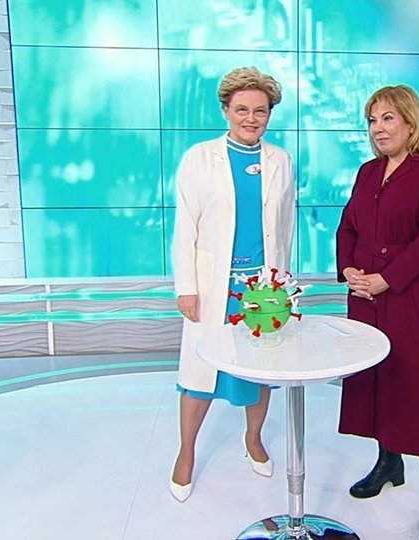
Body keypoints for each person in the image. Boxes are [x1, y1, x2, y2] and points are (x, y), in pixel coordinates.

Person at [335, 85, 419, 539]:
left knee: (418, 390)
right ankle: (389, 463)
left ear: (410, 122)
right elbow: (348, 226)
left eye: (387, 118)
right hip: (365, 295)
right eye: (372, 120)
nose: (378, 128)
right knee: (376, 379)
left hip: (410, 297)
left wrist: (388, 278)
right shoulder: (368, 172)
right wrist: (348, 268)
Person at [170, 66, 296, 502]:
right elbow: (185, 227)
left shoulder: (280, 161)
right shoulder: (199, 158)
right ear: (226, 110)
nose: (251, 118)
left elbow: (285, 228)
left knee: (260, 370)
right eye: (242, 109)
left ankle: (253, 439)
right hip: (213, 286)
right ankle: (186, 453)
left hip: (262, 288)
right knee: (199, 372)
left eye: (260, 110)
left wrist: (283, 283)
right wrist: (187, 287)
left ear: (270, 115)